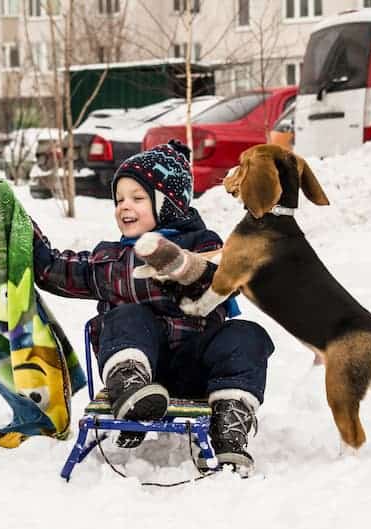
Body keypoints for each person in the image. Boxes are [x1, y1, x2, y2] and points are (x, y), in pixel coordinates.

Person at [31, 140, 274, 473]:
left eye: (137, 198)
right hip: (142, 369)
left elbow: (218, 282)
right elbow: (57, 270)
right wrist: (24, 234)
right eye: (119, 199)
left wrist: (179, 266)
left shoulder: (203, 245)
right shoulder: (110, 259)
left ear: (168, 204)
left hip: (197, 368)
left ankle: (229, 424)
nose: (123, 206)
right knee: (126, 316)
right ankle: (130, 390)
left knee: (247, 335)